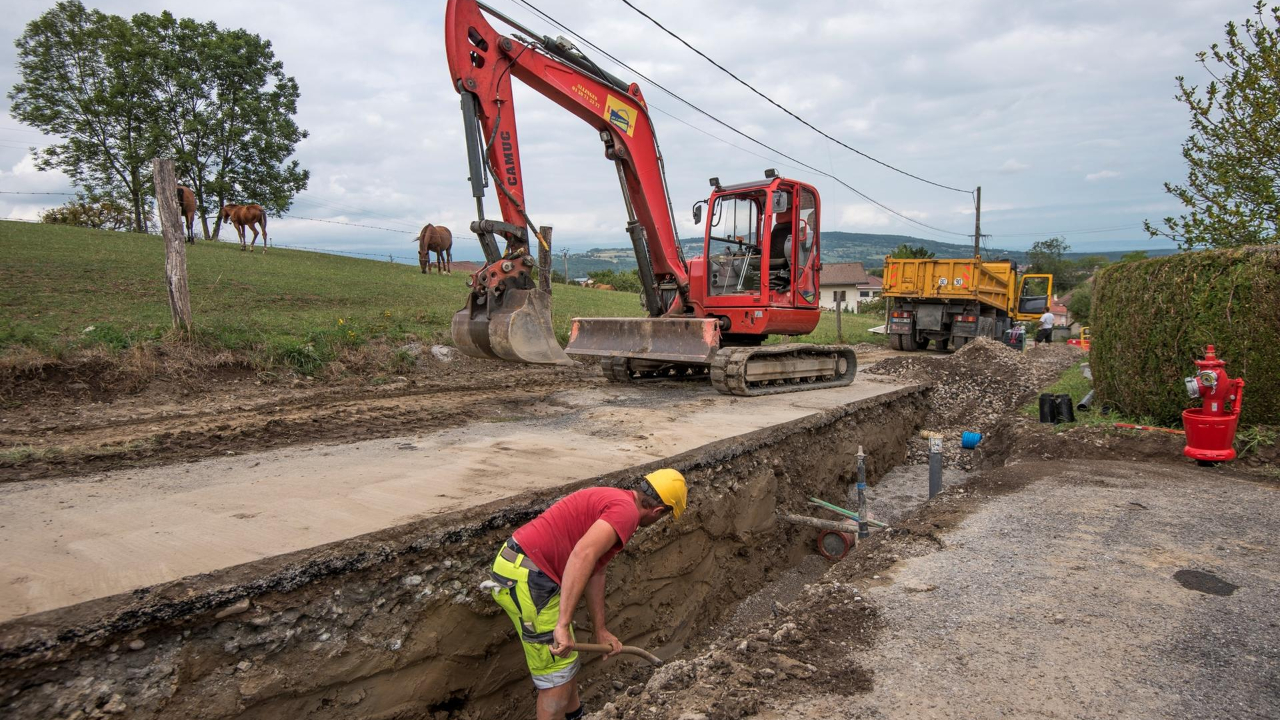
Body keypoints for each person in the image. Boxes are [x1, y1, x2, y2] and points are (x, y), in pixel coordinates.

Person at [488, 469, 688, 720]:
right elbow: (582, 555)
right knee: (556, 680)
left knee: (565, 663)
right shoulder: (625, 513)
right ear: (658, 512)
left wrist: (600, 628)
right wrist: (562, 624)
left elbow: (596, 570)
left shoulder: (617, 501)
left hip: (525, 568)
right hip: (529, 576)